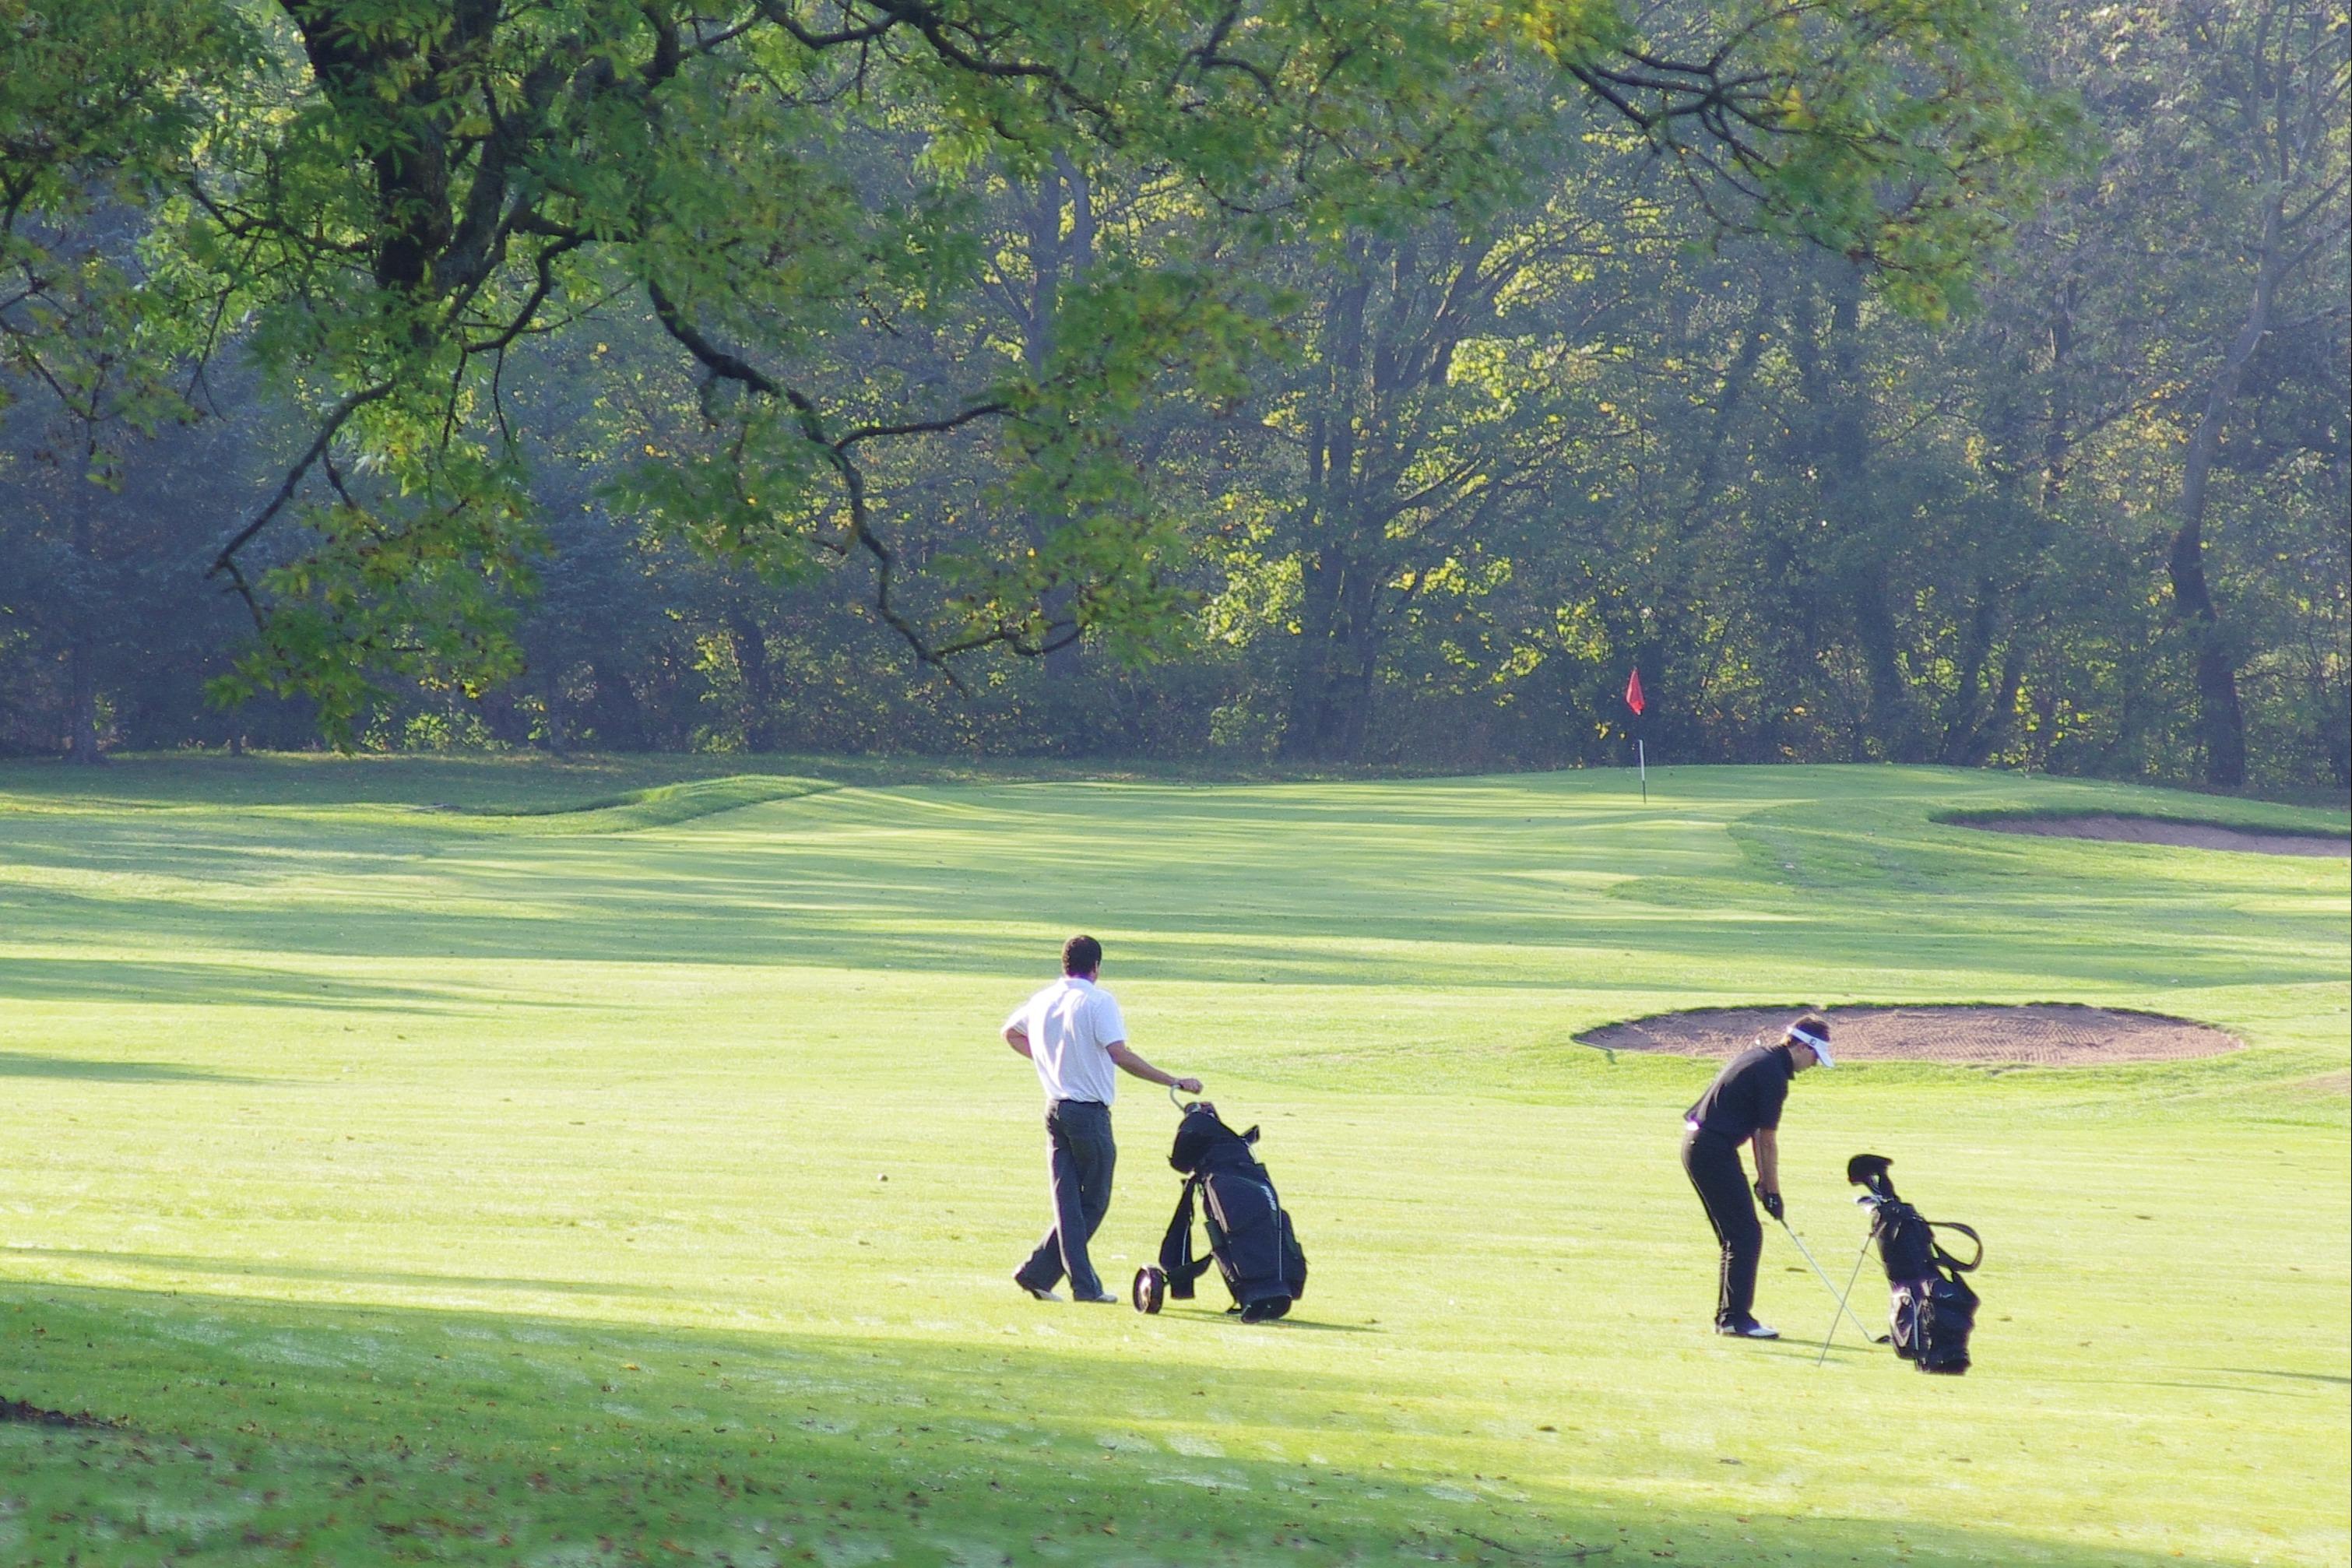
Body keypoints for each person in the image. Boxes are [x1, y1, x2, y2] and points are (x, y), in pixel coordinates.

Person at [1005, 935, 1201, 1303]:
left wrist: (1051, 1060)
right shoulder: (1099, 1000)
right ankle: (1084, 1286)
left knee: (1067, 1202)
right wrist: (1172, 1080)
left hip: (1055, 1110)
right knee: (1092, 1201)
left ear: (1065, 964)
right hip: (1088, 1114)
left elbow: (1011, 1034)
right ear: (1096, 966)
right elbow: (1120, 1055)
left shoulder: (1044, 998)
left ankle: (1036, 1274)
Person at [1679, 1014, 1834, 1338]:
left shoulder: (1761, 1058)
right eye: (1816, 1057)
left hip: (1702, 1145)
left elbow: (1755, 1136)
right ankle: (1735, 1319)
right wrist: (1773, 1191)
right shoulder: (1772, 1074)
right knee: (1745, 1234)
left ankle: (1730, 1316)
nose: (1815, 1065)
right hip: (1710, 1149)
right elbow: (1766, 1139)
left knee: (1739, 1235)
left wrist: (1765, 1184)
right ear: (1804, 1047)